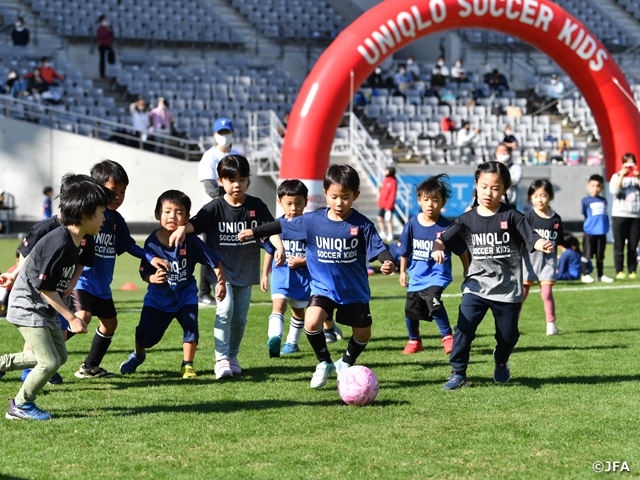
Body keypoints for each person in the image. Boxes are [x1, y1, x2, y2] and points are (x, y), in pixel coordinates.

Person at [238, 164, 396, 389]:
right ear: (325, 194)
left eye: (345, 197)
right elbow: (280, 225)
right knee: (311, 322)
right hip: (323, 287)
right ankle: (324, 362)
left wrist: (387, 260)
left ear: (356, 196)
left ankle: (346, 362)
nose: (339, 203)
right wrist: (254, 232)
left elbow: (379, 247)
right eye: (334, 197)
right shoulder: (312, 221)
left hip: (354, 290)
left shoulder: (362, 224)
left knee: (363, 333)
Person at [431, 161, 553, 390]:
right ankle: (458, 373)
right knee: (464, 330)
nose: (489, 192)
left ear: (504, 190)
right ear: (476, 185)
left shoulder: (514, 216)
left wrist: (541, 243)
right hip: (476, 286)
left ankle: (501, 358)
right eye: (484, 186)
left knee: (509, 336)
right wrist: (438, 247)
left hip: (507, 289)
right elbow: (443, 238)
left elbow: (531, 236)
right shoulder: (466, 219)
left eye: (495, 188)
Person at [0, 175, 111, 420]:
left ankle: (2, 364)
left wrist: (70, 286)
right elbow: (45, 287)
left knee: (59, 356)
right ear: (84, 214)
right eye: (102, 212)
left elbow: (75, 268)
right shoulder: (60, 241)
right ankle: (20, 406)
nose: (104, 218)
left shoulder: (78, 239)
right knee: (49, 363)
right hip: (29, 306)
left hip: (44, 307)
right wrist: (71, 317)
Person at [170, 155, 283, 379]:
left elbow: (271, 230)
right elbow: (196, 223)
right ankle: (221, 360)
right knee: (225, 308)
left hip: (246, 269)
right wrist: (183, 228)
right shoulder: (214, 207)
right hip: (221, 271)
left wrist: (278, 247)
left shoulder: (256, 206)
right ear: (220, 181)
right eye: (231, 180)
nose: (237, 185)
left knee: (240, 318)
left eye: (242, 179)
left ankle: (232, 356)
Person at [71, 160, 170, 378]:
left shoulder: (116, 219)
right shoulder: (87, 216)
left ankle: (90, 367)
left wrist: (150, 257)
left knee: (110, 324)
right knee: (82, 316)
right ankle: (43, 358)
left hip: (102, 285)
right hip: (82, 280)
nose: (118, 197)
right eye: (113, 191)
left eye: (123, 192)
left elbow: (128, 244)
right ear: (96, 188)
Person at [119, 190, 226, 378]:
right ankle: (138, 355)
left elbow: (215, 261)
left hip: (186, 295)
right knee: (146, 335)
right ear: (157, 214)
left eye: (178, 212)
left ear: (187, 217)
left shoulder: (190, 240)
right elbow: (144, 271)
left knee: (191, 326)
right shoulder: (151, 243)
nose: (172, 216)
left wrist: (221, 282)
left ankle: (188, 365)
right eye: (167, 211)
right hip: (158, 300)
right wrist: (152, 279)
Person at [397, 175, 469, 355]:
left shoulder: (448, 227)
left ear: (443, 202)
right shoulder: (413, 223)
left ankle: (447, 337)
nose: (430, 204)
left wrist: (468, 270)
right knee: (410, 311)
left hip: (438, 275)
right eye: (426, 199)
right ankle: (414, 341)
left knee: (433, 301)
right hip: (417, 276)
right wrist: (402, 271)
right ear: (419, 200)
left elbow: (462, 250)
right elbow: (405, 250)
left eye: (435, 200)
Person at [196, 117, 241, 305]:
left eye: (227, 132)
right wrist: (227, 200)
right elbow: (209, 186)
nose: (224, 136)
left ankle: (230, 286)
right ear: (215, 135)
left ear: (233, 134)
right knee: (210, 251)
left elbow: (245, 181)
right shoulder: (209, 157)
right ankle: (204, 292)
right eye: (221, 133)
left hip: (235, 211)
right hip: (214, 212)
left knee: (232, 249)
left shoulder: (238, 156)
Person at [520, 180, 564, 336]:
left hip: (547, 262)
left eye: (543, 195)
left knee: (546, 293)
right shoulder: (527, 218)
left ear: (550, 197)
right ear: (530, 198)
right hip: (529, 262)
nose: (539, 199)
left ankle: (551, 324)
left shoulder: (556, 219)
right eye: (535, 196)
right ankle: (512, 324)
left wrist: (562, 251)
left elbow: (559, 240)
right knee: (522, 294)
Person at [609, 153, 640, 279]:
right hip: (619, 214)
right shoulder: (616, 176)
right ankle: (619, 271)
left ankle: (632, 270)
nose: (629, 166)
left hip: (636, 216)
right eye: (627, 163)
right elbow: (614, 191)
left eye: (632, 163)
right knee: (619, 244)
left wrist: (637, 176)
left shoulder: (637, 178)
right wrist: (622, 175)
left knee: (633, 245)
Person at [581, 174, 612, 283]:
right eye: (593, 185)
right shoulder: (585, 200)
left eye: (598, 186)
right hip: (590, 231)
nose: (595, 188)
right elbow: (585, 214)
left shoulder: (604, 200)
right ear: (588, 186)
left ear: (602, 187)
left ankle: (600, 275)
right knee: (587, 254)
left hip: (602, 231)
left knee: (600, 255)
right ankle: (585, 274)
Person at [377, 167, 397, 242]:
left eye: (387, 170)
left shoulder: (393, 181)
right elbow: (382, 191)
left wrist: (389, 205)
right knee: (379, 218)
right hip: (383, 204)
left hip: (389, 205)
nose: (385, 171)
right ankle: (383, 233)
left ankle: (390, 234)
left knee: (388, 219)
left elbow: (392, 194)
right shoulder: (385, 179)